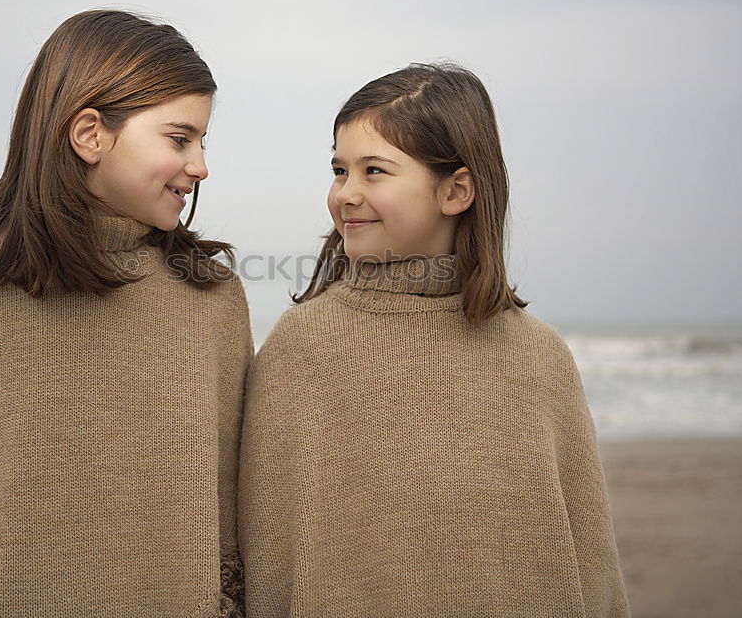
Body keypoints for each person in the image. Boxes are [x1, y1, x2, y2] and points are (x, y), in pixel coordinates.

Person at [0, 9, 252, 617]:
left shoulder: (210, 300)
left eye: (202, 141)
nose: (200, 166)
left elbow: (226, 521)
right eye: (179, 139)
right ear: (89, 133)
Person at [238, 63, 630, 617]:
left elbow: (590, 564)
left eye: (374, 171)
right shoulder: (303, 347)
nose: (347, 193)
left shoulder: (538, 358)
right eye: (338, 170)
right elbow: (269, 555)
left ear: (456, 190)